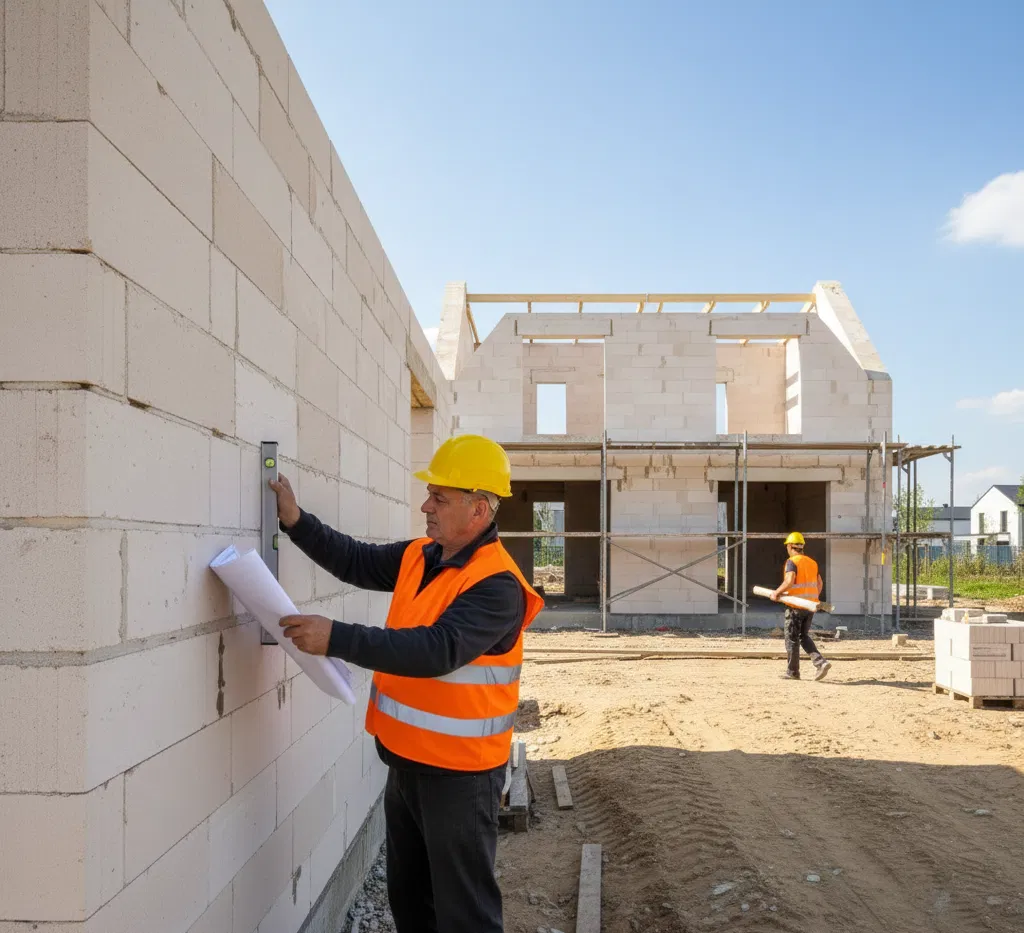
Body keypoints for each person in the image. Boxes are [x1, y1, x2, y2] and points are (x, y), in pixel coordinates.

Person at [270, 434, 543, 933]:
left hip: (461, 779)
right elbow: (356, 559)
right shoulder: (424, 554)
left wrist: (336, 637)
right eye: (430, 495)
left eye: (440, 498)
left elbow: (435, 649)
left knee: (466, 917)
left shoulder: (497, 585)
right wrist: (296, 521)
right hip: (407, 764)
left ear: (479, 510)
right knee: (412, 903)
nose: (426, 505)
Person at [769, 531, 832, 681]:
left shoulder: (792, 562)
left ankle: (793, 672)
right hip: (809, 607)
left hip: (795, 607)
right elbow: (819, 583)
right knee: (803, 636)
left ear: (790, 546)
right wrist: (812, 598)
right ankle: (820, 663)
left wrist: (776, 593)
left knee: (791, 638)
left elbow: (789, 580)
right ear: (802, 546)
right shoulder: (812, 562)